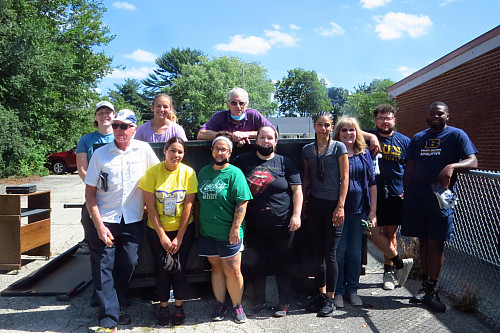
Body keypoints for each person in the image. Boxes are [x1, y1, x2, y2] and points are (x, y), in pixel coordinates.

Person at [85, 109, 159, 333]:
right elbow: (89, 194)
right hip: (105, 218)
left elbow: (158, 178)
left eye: (124, 126)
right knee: (103, 266)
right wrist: (99, 225)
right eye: (116, 126)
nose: (119, 130)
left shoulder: (144, 150)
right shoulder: (101, 154)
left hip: (133, 218)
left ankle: (114, 300)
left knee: (129, 261)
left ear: (134, 129)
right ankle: (109, 318)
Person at [402, 101, 477, 312]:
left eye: (440, 114)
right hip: (417, 198)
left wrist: (452, 165)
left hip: (440, 199)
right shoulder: (418, 138)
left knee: (436, 243)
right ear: (427, 116)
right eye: (432, 114)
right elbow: (410, 167)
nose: (436, 116)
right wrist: (406, 194)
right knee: (424, 243)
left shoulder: (456, 135)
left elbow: (472, 161)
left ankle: (433, 290)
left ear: (447, 116)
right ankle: (425, 289)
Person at [233, 126, 302, 317]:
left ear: (276, 141)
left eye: (270, 138)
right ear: (257, 140)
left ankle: (284, 303)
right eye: (262, 137)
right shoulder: (243, 161)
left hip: (283, 223)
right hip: (254, 224)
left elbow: (297, 191)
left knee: (283, 264)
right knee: (256, 265)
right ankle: (258, 301)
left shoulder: (285, 163)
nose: (266, 141)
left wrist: (296, 215)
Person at [139, 137, 197, 326]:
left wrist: (179, 237)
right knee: (162, 268)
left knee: (179, 268)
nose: (176, 155)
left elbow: (188, 206)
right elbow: (151, 208)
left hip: (183, 229)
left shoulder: (188, 173)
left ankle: (179, 306)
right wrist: (162, 235)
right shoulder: (152, 172)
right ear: (164, 151)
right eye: (172, 150)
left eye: (180, 152)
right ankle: (163, 306)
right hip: (157, 229)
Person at [196, 136, 253, 324]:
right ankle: (220, 304)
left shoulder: (234, 173)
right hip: (207, 231)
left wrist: (236, 228)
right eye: (216, 149)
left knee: (233, 269)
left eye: (224, 150)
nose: (219, 153)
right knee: (216, 267)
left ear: (229, 153)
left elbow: (242, 201)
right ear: (211, 150)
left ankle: (237, 306)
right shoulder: (203, 172)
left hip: (229, 232)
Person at [301, 111, 348, 317]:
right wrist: (302, 205)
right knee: (316, 253)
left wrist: (340, 206)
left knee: (330, 253)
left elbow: (345, 178)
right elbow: (306, 178)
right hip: (315, 203)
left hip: (333, 204)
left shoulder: (339, 147)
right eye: (320, 124)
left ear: (331, 127)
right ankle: (320, 295)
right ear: (314, 126)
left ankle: (331, 297)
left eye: (327, 125)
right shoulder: (307, 150)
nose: (323, 128)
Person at [366, 104, 413, 290]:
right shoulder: (366, 137)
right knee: (370, 231)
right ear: (375, 120)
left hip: (395, 193)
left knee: (390, 233)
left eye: (388, 118)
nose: (385, 121)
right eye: (381, 118)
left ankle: (389, 273)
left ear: (394, 119)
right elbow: (343, 129)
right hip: (371, 193)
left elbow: (411, 167)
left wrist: (407, 188)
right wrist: (370, 137)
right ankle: (400, 263)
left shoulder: (404, 141)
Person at [333, 116, 377, 308]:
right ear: (338, 133)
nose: (348, 133)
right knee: (339, 251)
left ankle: (353, 290)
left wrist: (373, 211)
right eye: (344, 130)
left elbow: (373, 183)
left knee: (355, 252)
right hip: (338, 211)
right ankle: (338, 292)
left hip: (359, 210)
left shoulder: (364, 153)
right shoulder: (332, 152)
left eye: (352, 130)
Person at [76, 100, 115, 307]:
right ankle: (98, 291)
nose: (104, 116)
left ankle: (116, 290)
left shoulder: (120, 135)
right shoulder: (87, 140)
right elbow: (83, 170)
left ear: (114, 115)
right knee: (97, 249)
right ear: (95, 117)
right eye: (100, 113)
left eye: (108, 112)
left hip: (118, 203)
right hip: (95, 198)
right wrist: (99, 185)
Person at [197, 87, 274, 145]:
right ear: (228, 103)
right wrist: (230, 136)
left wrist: (246, 134)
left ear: (247, 104)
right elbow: (201, 134)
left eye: (241, 103)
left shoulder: (254, 115)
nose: (238, 106)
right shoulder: (219, 116)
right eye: (233, 103)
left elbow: (274, 132)